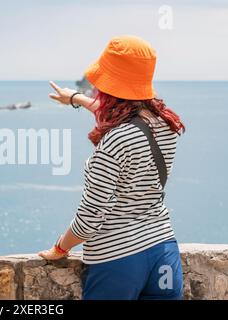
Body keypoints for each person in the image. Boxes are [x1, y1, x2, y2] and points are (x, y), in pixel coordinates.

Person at [38, 35, 186, 300]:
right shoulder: (166, 124)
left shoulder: (114, 141)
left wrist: (60, 248)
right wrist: (76, 98)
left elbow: (90, 218)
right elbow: (128, 117)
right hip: (164, 253)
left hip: (118, 263)